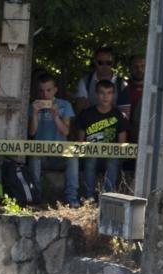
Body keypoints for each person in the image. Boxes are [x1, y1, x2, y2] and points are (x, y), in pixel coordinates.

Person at [28, 74, 80, 207]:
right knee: (34, 156)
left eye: (48, 90)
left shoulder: (64, 105)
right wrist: (34, 113)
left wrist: (56, 116)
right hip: (42, 155)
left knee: (73, 157)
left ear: (55, 90)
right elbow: (32, 132)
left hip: (59, 156)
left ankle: (71, 199)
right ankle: (36, 197)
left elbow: (66, 131)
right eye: (41, 90)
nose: (45, 94)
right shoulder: (33, 105)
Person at [75, 79, 129, 202]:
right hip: (90, 155)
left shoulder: (119, 115)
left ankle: (108, 198)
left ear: (113, 95)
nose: (105, 96)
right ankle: (89, 198)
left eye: (109, 93)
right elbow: (80, 141)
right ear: (96, 94)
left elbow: (122, 143)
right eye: (102, 93)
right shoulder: (86, 114)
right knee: (90, 159)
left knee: (113, 160)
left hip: (110, 157)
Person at [74, 47, 126, 114]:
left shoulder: (121, 84)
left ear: (113, 63)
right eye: (100, 62)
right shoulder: (85, 81)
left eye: (108, 62)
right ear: (95, 62)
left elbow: (125, 114)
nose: (105, 66)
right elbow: (80, 109)